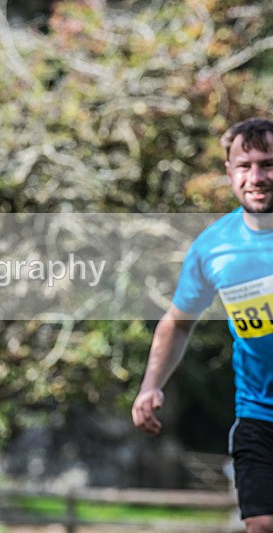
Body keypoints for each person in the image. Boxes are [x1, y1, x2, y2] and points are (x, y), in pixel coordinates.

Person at [132, 117, 273, 532]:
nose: (257, 177)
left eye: (268, 164)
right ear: (229, 173)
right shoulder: (213, 247)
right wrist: (151, 384)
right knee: (262, 524)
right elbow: (177, 322)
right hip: (258, 413)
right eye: (244, 166)